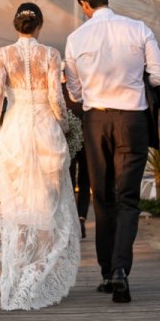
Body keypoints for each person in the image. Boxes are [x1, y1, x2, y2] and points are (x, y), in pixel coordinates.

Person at [64, 0, 160, 304]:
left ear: (84, 5)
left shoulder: (76, 38)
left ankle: (107, 272)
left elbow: (74, 91)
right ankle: (122, 269)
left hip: (96, 120)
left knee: (102, 197)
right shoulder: (138, 29)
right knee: (128, 198)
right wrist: (136, 81)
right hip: (132, 120)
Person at [0, 2, 81, 311]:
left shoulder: (2, 55)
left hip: (14, 132)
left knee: (17, 209)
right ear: (39, 26)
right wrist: (65, 126)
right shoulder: (51, 55)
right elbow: (56, 96)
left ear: (16, 26)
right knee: (49, 208)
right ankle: (36, 275)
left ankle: (16, 279)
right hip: (44, 132)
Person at [62, 78, 90, 238]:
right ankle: (79, 218)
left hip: (74, 140)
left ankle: (76, 219)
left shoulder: (62, 89)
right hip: (80, 140)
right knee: (82, 181)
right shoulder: (88, 87)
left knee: (75, 181)